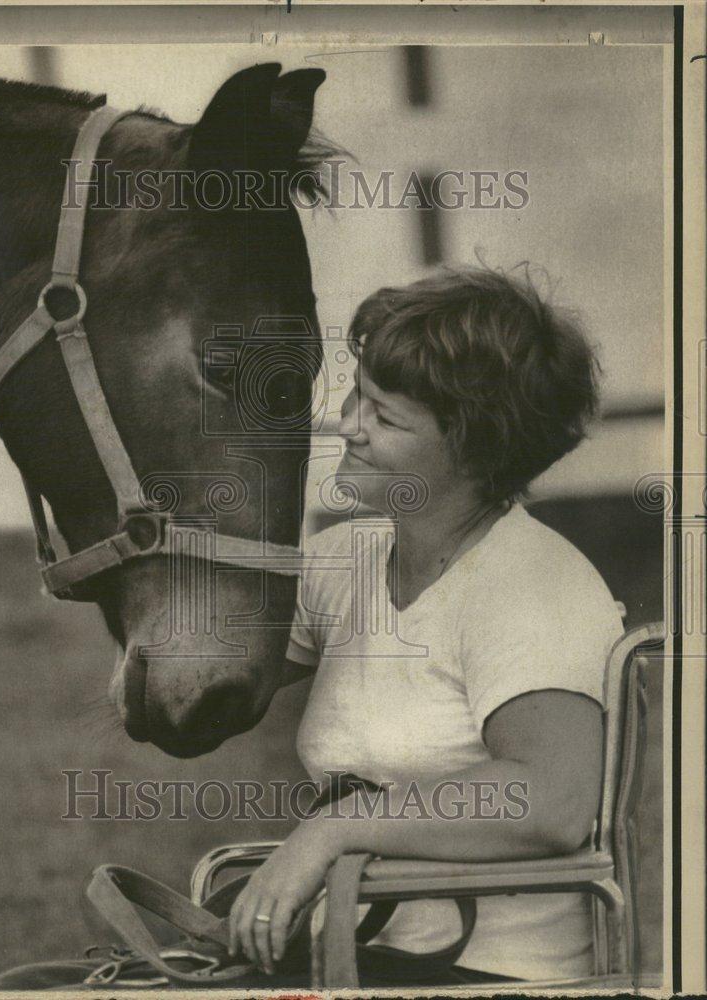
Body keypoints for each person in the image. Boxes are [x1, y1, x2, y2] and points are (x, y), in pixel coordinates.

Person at [228, 265, 625, 984]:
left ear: (472, 449)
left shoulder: (533, 585)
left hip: (491, 977)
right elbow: (206, 683)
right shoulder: (345, 559)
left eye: (385, 416)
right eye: (357, 395)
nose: (347, 425)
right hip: (356, 961)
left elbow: (552, 800)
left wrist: (334, 828)